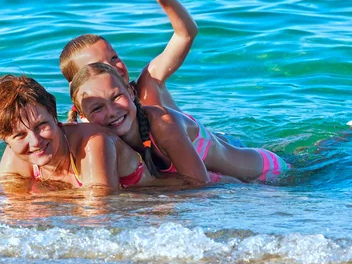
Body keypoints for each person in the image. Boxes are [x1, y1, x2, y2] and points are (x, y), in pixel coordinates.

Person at [0, 74, 212, 193]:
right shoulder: (16, 152)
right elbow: (2, 198)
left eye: (41, 126)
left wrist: (38, 198)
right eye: (19, 136)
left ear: (55, 118)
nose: (35, 141)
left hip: (187, 192)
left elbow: (101, 208)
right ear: (4, 139)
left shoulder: (94, 142)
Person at [69, 63, 290, 183]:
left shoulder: (164, 124)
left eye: (116, 97)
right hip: (236, 184)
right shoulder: (98, 142)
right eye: (97, 108)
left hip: (266, 173)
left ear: (131, 91)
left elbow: (198, 185)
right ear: (83, 116)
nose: (111, 111)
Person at [60, 0, 197, 112]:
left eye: (114, 57)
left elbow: (186, 34)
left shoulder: (148, 85)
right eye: (98, 65)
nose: (113, 67)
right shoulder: (90, 123)